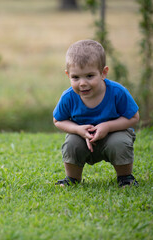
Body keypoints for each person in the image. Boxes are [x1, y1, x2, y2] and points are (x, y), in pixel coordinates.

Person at [53, 39, 140, 187]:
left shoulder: (117, 92)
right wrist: (77, 129)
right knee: (71, 143)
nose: (82, 83)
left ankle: (125, 178)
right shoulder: (68, 97)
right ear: (68, 75)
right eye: (75, 77)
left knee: (119, 142)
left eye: (89, 76)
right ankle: (72, 179)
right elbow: (58, 120)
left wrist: (107, 127)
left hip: (114, 134)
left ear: (103, 73)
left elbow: (133, 117)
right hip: (83, 138)